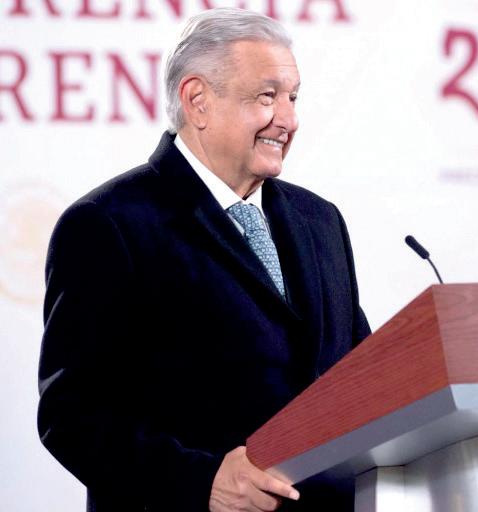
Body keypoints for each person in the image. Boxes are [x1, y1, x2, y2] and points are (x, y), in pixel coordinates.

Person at [37, 8, 370, 512]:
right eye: (267, 97)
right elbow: (72, 416)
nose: (289, 119)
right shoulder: (108, 225)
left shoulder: (320, 221)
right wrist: (202, 481)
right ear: (198, 101)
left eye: (293, 98)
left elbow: (360, 378)